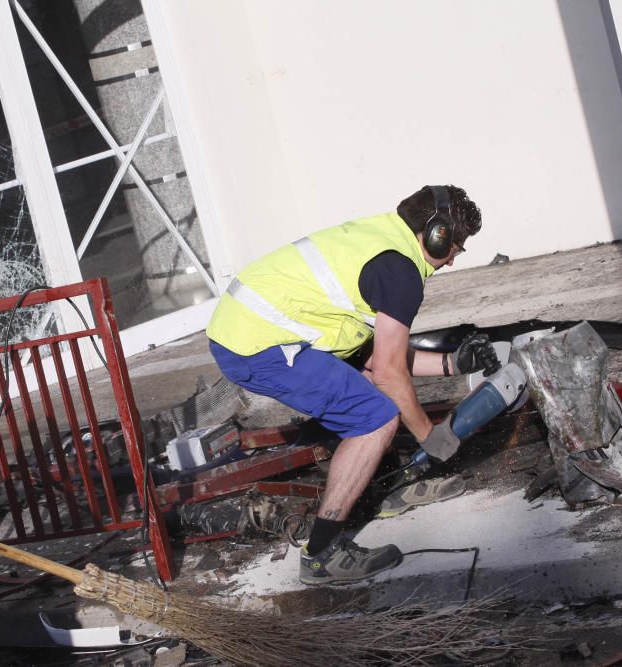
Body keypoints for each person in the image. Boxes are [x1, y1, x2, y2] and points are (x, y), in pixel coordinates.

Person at [206, 185, 499, 585]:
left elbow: (380, 357)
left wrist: (452, 363)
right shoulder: (401, 274)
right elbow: (390, 372)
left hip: (248, 328)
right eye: (456, 248)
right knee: (374, 418)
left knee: (368, 395)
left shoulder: (385, 237)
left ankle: (381, 491)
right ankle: (321, 554)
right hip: (256, 346)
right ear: (437, 234)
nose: (451, 261)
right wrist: (430, 436)